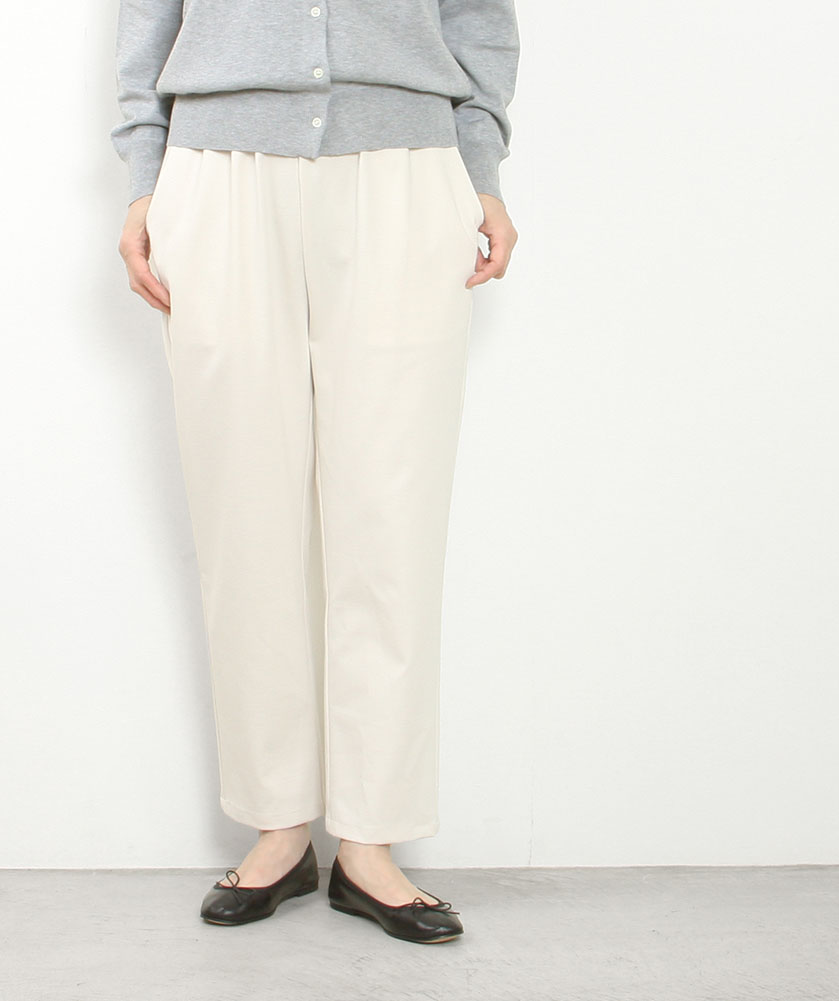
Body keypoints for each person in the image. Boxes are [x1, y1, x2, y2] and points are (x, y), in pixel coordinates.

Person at [111, 0, 519, 945]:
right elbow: (145, 24)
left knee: (392, 513)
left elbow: (479, 20)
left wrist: (482, 171)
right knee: (243, 512)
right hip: (217, 170)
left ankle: (370, 841)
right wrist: (143, 182)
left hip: (406, 169)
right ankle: (277, 826)